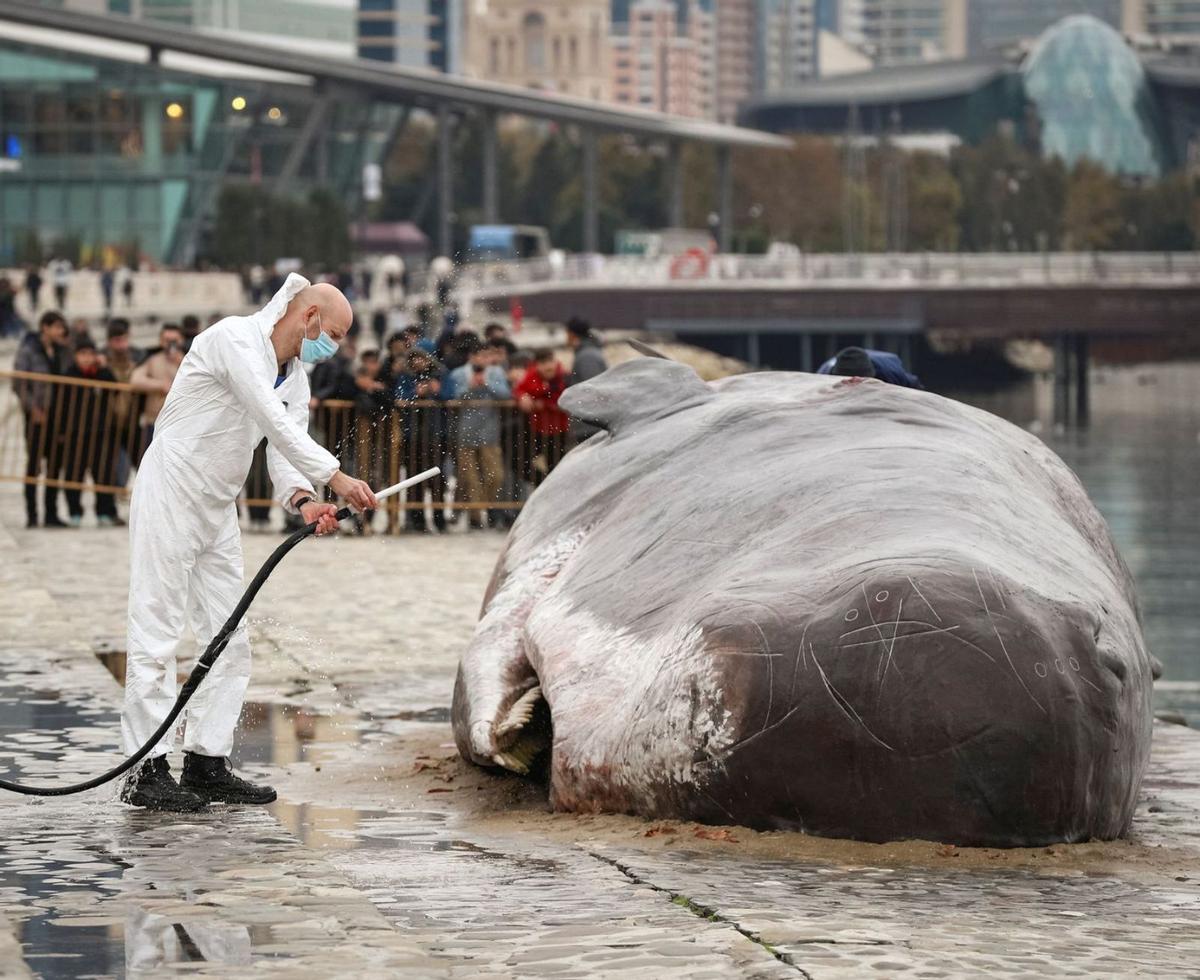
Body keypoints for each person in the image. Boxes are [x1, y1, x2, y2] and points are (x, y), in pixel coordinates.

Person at [120, 274, 377, 813]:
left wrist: (305, 499)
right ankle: (146, 770)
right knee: (157, 630)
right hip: (171, 487)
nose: (335, 347)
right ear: (308, 317)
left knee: (229, 639)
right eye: (333, 334)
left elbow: (285, 445)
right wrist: (336, 476)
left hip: (219, 505)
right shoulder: (233, 339)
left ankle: (206, 762)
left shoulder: (296, 377)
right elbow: (269, 417)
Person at [446, 338, 511, 529]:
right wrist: (470, 388)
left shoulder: (496, 373)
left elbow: (506, 395)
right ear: (472, 357)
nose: (485, 360)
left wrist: (488, 384)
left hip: (490, 432)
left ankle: (481, 506)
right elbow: (451, 398)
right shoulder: (459, 374)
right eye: (481, 356)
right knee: (469, 479)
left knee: (495, 476)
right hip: (465, 432)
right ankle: (475, 518)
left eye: (487, 356)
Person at [14, 311, 70, 528]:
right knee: (34, 465)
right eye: (57, 327)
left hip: (58, 416)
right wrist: (32, 408)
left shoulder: (61, 351)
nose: (61, 331)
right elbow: (19, 383)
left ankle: (51, 514)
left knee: (55, 465)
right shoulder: (28, 350)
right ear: (45, 327)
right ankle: (32, 514)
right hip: (37, 417)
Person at [61, 338, 123, 527]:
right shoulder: (69, 374)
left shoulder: (102, 374)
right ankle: (74, 513)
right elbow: (62, 405)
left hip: (100, 433)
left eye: (90, 354)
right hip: (75, 433)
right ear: (76, 356)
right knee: (74, 475)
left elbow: (115, 390)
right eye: (83, 354)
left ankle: (105, 512)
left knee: (103, 474)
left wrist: (104, 368)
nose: (87, 358)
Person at [394, 347, 448, 533]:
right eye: (414, 358)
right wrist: (415, 393)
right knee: (413, 478)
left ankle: (440, 520)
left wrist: (436, 391)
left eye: (421, 358)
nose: (418, 362)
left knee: (437, 479)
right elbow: (399, 397)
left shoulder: (440, 374)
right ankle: (416, 520)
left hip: (435, 434)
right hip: (413, 435)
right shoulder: (406, 376)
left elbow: (450, 395)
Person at [515, 348, 571, 487]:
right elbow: (519, 389)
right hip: (539, 429)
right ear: (537, 365)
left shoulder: (564, 376)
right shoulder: (532, 376)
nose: (548, 366)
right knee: (520, 461)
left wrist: (542, 402)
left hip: (559, 430)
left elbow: (563, 399)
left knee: (557, 468)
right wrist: (522, 396)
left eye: (550, 362)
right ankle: (544, 484)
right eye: (543, 363)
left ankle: (552, 488)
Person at [130, 324, 186, 450]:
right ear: (161, 341)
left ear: (181, 340)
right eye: (167, 340)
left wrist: (180, 362)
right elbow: (135, 380)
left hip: (180, 422)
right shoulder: (153, 359)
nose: (171, 344)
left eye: (174, 340)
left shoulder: (189, 360)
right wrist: (159, 385)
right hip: (154, 421)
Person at [103, 318, 145, 487]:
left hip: (133, 419)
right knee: (114, 467)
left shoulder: (139, 357)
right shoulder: (102, 360)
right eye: (117, 340)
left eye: (123, 339)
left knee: (143, 464)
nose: (121, 345)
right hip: (109, 421)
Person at [564, 318, 607, 442]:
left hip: (590, 426)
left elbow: (593, 387)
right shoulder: (587, 353)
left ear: (572, 334)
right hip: (590, 425)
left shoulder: (587, 356)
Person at [817, 346, 924, 389]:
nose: (855, 383)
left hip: (884, 364)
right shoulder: (824, 376)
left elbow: (915, 388)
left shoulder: (890, 372)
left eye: (859, 381)